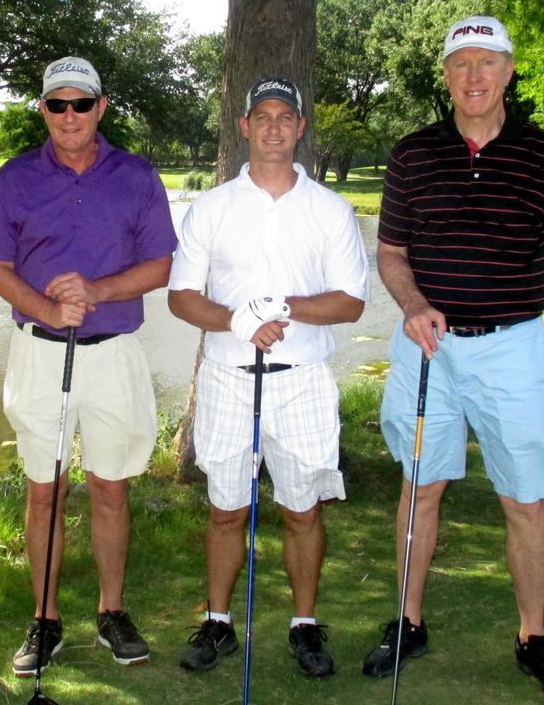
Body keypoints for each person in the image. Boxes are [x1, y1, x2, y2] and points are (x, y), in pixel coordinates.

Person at [361, 16, 544, 702]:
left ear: (510, 71)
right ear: (447, 74)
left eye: (488, 62)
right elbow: (392, 253)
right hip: (426, 346)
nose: (475, 75)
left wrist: (513, 306)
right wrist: (413, 304)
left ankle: (533, 636)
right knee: (420, 486)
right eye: (461, 63)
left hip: (511, 351)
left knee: (524, 496)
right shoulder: (411, 154)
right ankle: (408, 620)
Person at [0, 56, 177, 676]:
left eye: (82, 103)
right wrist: (45, 306)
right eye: (58, 104)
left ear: (101, 107)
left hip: (112, 353)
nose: (70, 115)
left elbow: (160, 266)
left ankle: (111, 611)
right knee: (45, 490)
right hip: (39, 353)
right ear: (43, 108)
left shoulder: (137, 175)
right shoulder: (15, 176)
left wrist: (96, 290)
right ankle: (44, 618)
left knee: (110, 489)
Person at [168, 78, 370, 678]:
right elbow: (181, 297)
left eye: (287, 116)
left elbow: (351, 301)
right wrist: (237, 318)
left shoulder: (329, 209)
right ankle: (219, 623)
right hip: (230, 378)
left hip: (303, 377)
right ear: (244, 126)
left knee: (303, 509)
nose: (275, 127)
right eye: (263, 116)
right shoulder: (213, 206)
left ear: (301, 128)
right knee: (226, 509)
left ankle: (304, 625)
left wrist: (279, 306)